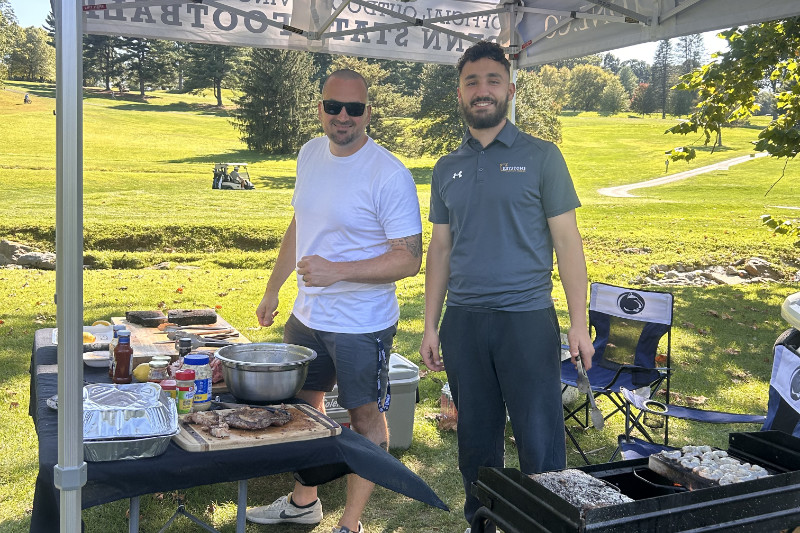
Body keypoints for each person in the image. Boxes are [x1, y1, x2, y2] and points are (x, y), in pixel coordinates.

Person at [418, 41, 595, 532]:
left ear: (510, 90)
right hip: (464, 323)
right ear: (459, 93)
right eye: (472, 82)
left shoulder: (542, 156)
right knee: (476, 443)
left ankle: (548, 525)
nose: (482, 90)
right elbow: (440, 250)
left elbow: (568, 242)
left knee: (540, 442)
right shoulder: (446, 167)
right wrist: (431, 325)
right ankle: (483, 524)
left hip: (526, 320)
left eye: (493, 80)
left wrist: (579, 323)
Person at [249, 69, 423, 533]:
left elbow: (409, 259)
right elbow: (300, 225)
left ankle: (350, 524)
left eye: (354, 108)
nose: (343, 116)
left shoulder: (388, 173)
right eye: (333, 106)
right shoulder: (310, 153)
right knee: (303, 408)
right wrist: (273, 287)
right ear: (320, 108)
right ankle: (303, 503)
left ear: (368, 112)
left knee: (366, 418)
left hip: (362, 323)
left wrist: (337, 271)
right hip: (307, 315)